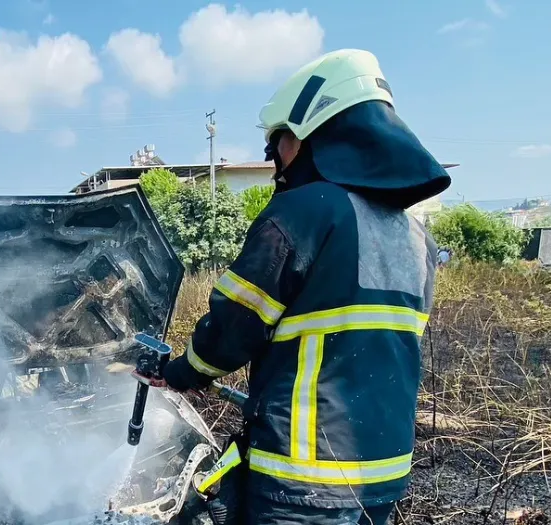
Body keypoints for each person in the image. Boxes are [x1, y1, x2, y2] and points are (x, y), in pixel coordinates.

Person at [154, 49, 450, 525]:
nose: (276, 165)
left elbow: (233, 329)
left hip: (303, 480)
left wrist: (180, 372)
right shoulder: (416, 236)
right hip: (384, 477)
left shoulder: (302, 214)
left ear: (313, 136)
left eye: (279, 147)